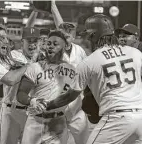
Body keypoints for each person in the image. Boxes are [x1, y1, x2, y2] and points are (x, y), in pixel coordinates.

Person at [75, 14, 142, 144]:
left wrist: (50, 104)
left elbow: (70, 95)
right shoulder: (135, 53)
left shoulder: (91, 60)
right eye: (121, 36)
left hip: (117, 117)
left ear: (92, 36)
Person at [18, 30, 77, 144]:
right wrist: (31, 100)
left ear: (64, 47)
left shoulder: (72, 70)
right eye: (49, 43)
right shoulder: (35, 67)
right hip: (35, 121)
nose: (50, 46)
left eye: (55, 44)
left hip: (58, 122)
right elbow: (21, 93)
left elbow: (74, 96)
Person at [51, 1, 89, 143]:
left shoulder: (79, 51)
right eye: (63, 36)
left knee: (83, 139)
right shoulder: (52, 50)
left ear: (73, 37)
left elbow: (86, 73)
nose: (65, 39)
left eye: (68, 37)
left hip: (76, 104)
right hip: (56, 101)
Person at [0, 27, 41, 144]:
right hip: (12, 111)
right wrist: (30, 64)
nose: (32, 44)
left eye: (35, 41)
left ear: (40, 42)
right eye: (29, 41)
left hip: (33, 113)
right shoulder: (14, 55)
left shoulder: (43, 59)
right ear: (22, 42)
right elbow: (8, 77)